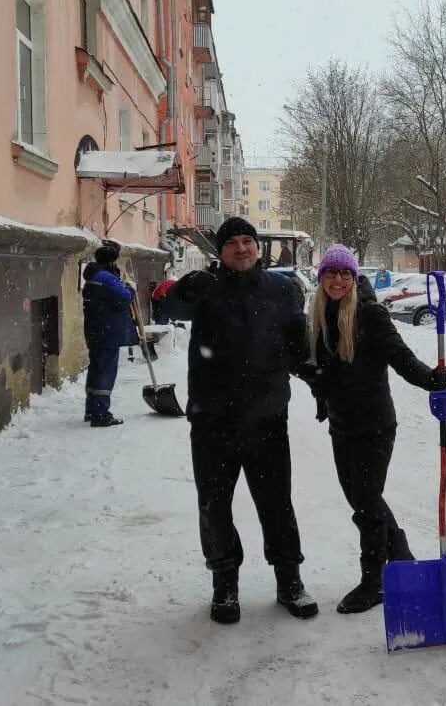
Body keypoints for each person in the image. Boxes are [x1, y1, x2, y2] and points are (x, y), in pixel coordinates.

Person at [161, 217, 318, 625]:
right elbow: (168, 307)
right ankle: (224, 584)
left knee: (277, 504)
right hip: (212, 421)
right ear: (221, 251)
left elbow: (297, 348)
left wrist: (322, 385)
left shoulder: (282, 290)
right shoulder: (206, 287)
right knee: (214, 505)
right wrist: (186, 287)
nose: (242, 247)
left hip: (267, 419)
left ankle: (290, 580)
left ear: (258, 247)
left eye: (249, 240)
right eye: (233, 242)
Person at [302, 244, 446, 614]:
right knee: (362, 501)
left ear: (354, 278)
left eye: (345, 273)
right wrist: (320, 391)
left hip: (375, 427)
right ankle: (401, 556)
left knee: (367, 505)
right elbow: (323, 367)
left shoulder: (370, 313)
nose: (338, 280)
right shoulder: (318, 314)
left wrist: (432, 380)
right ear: (321, 278)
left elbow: (400, 357)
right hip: (341, 426)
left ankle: (374, 581)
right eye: (331, 272)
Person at [81, 240, 139, 428]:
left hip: (96, 330)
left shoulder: (93, 275)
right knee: (105, 371)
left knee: (96, 369)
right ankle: (100, 414)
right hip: (107, 331)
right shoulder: (106, 277)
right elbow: (124, 297)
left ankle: (92, 410)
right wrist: (130, 288)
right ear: (112, 261)